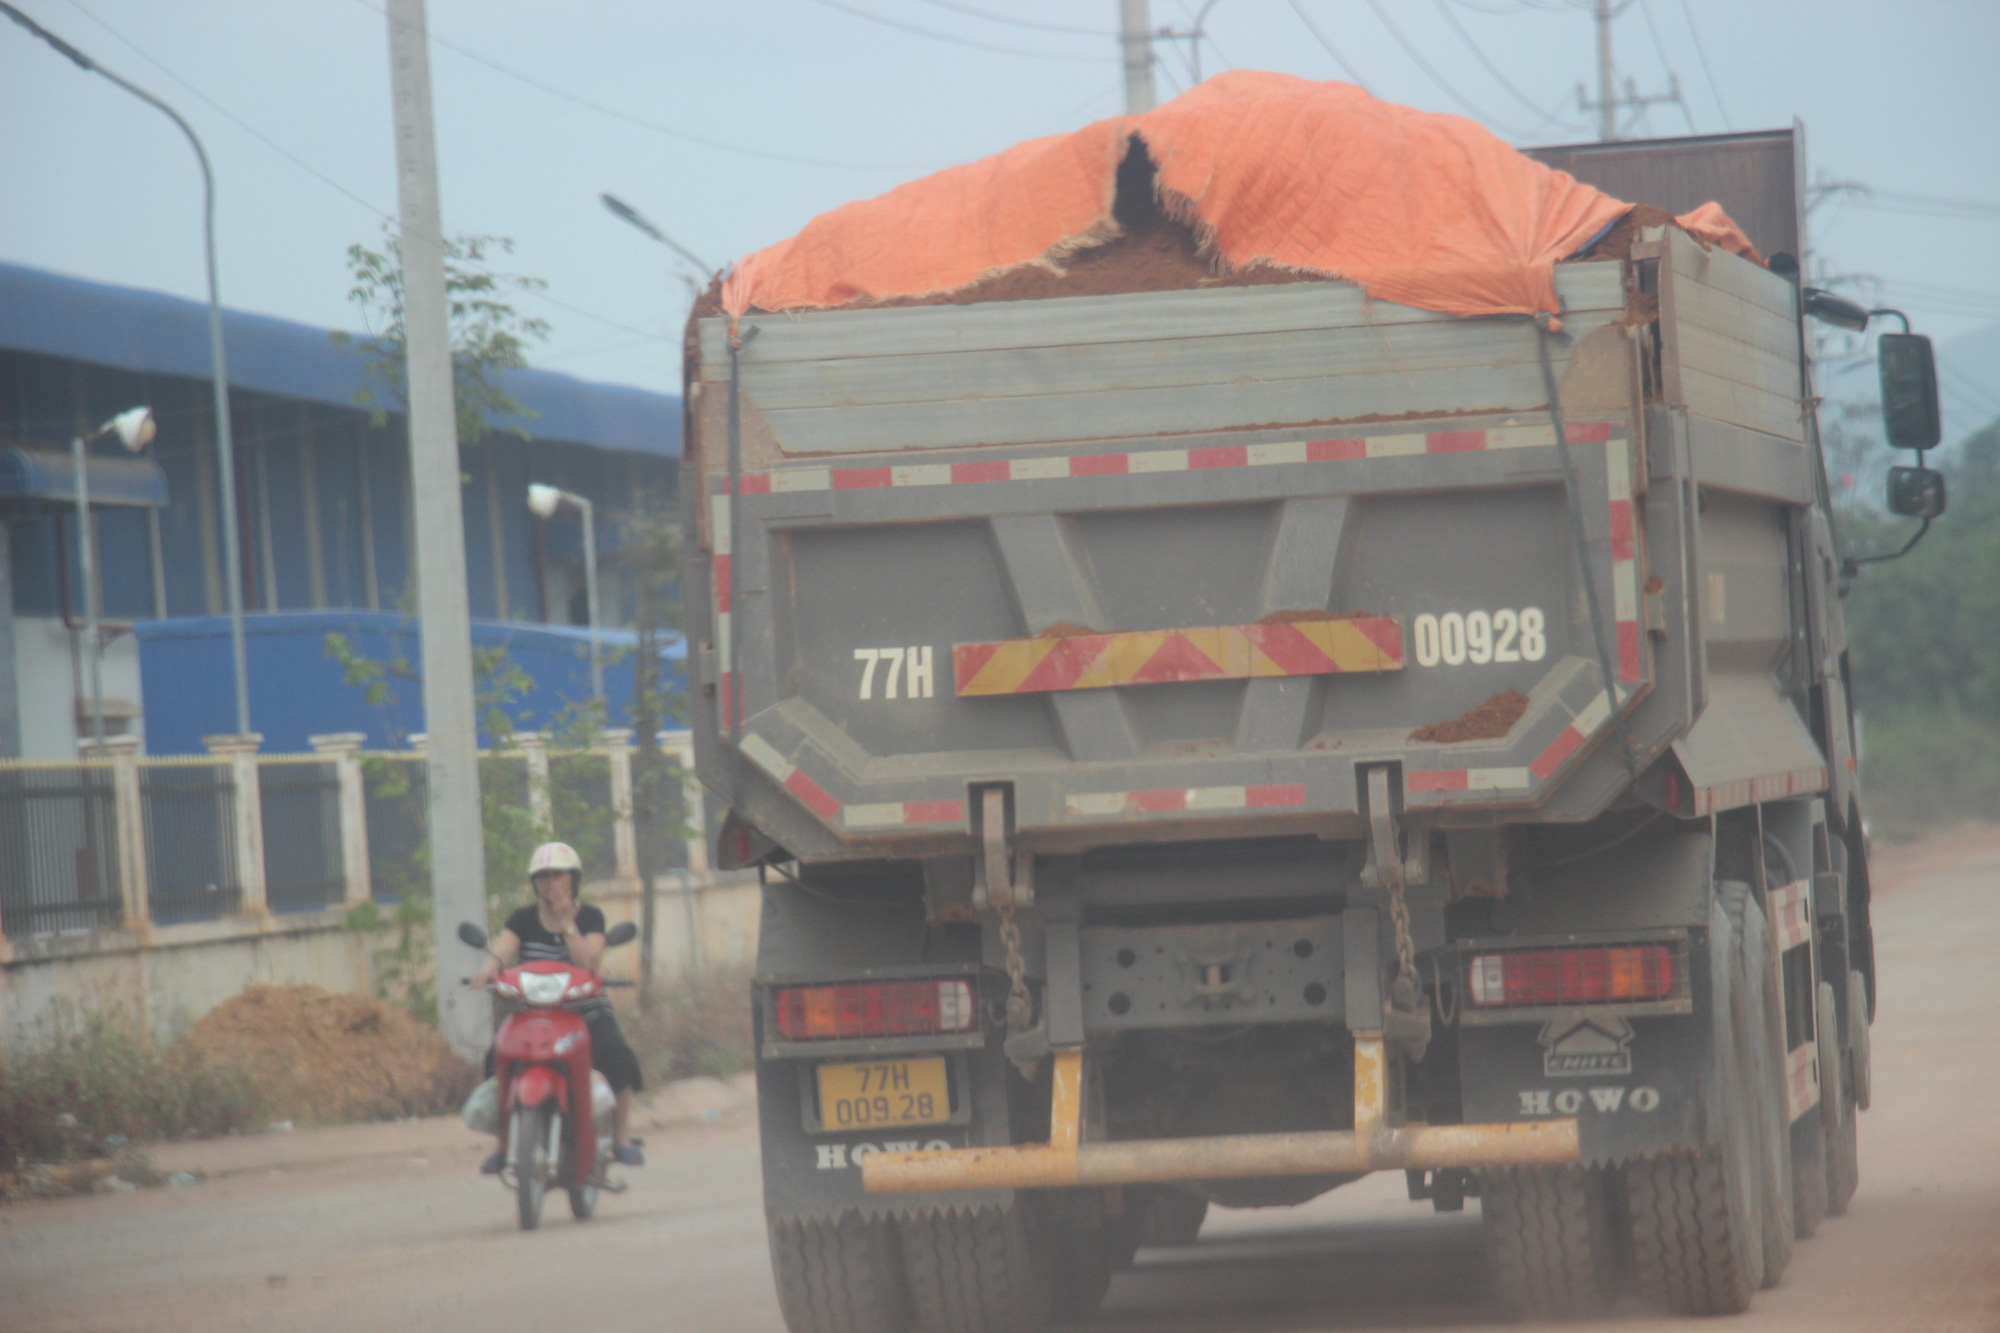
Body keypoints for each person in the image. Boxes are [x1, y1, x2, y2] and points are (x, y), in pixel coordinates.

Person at [471, 841, 645, 1173]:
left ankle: (621, 1139)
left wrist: (568, 922)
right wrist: (485, 973)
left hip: (586, 1011)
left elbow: (588, 962)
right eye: (543, 877)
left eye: (558, 876)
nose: (550, 883)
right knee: (497, 1059)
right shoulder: (522, 919)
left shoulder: (591, 916)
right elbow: (500, 954)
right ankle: (505, 1142)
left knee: (618, 1056)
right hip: (534, 1014)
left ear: (573, 880)